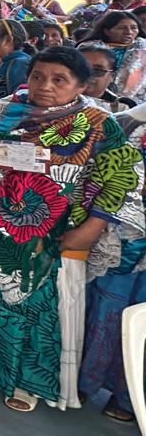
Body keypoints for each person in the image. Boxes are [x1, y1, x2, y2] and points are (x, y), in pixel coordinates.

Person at [0, 47, 143, 412]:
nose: (45, 86)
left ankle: (25, 381)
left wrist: (94, 226)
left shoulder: (98, 123)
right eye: (38, 76)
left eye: (59, 80)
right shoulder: (5, 109)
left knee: (32, 308)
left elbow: (125, 178)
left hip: (50, 235)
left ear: (81, 84)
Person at [79, 104, 146, 423]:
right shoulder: (131, 122)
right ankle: (82, 382)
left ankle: (129, 396)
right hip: (124, 236)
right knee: (106, 306)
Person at [79, 11, 146, 103]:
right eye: (122, 28)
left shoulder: (142, 48)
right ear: (107, 31)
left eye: (134, 28)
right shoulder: (89, 48)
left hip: (137, 102)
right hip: (91, 98)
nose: (129, 32)